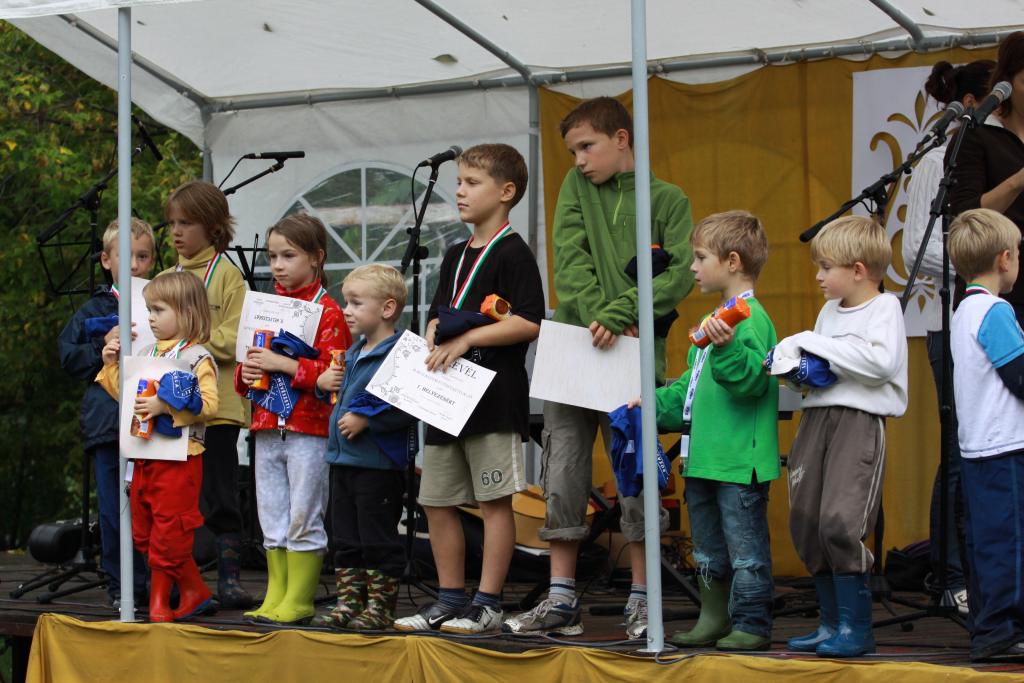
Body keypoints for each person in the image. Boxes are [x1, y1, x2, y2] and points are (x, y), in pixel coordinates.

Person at [504, 96, 694, 639]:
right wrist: (601, 316)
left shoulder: (668, 199)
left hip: (632, 349)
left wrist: (623, 312)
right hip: (575, 344)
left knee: (635, 470)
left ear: (622, 138)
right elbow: (569, 260)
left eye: (587, 146)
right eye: (572, 151)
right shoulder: (574, 187)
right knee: (563, 468)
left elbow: (681, 273)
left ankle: (642, 597)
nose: (579, 160)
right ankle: (561, 598)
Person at [393, 143, 545, 635]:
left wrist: (468, 339)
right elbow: (439, 314)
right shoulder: (455, 254)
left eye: (472, 183)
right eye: (458, 181)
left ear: (506, 192)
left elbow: (529, 321)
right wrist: (434, 333)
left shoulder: (514, 252)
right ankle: (449, 598)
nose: (459, 191)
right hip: (446, 397)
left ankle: (488, 603)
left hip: (493, 399)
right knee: (436, 500)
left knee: (493, 501)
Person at [639, 211, 778, 651]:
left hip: (737, 463)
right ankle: (713, 615)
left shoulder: (751, 320)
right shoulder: (716, 318)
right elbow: (690, 387)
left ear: (732, 261)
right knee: (707, 548)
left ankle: (752, 623)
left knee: (745, 549)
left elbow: (752, 381)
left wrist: (728, 346)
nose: (693, 267)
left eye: (701, 258)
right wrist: (651, 405)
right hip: (701, 458)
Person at [769, 216, 908, 658]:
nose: (818, 276)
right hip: (817, 417)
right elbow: (827, 366)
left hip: (858, 422)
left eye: (826, 267)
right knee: (806, 516)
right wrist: (798, 370)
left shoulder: (885, 309)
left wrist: (809, 342)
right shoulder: (829, 312)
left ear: (859, 270)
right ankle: (830, 623)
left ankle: (855, 626)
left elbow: (880, 364)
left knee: (840, 518)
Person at [903, 58, 994, 616]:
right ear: (977, 102)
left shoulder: (1000, 156)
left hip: (1002, 319)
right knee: (963, 450)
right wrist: (987, 265)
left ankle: (988, 573)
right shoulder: (940, 158)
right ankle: (952, 575)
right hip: (959, 322)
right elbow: (916, 249)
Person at [235, 214, 349, 624]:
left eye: (288, 255)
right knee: (271, 513)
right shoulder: (265, 307)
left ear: (316, 257)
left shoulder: (329, 312)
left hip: (309, 429)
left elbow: (334, 375)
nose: (277, 265)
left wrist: (283, 364)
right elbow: (244, 370)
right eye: (272, 256)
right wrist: (246, 373)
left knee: (304, 511)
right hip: (267, 426)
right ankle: (276, 595)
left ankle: (299, 599)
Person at [97, 272, 221, 622]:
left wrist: (165, 407)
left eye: (159, 310)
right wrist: (110, 364)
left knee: (170, 529)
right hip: (144, 455)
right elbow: (126, 398)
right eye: (150, 309)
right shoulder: (147, 352)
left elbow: (210, 405)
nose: (150, 317)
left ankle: (158, 604)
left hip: (180, 459)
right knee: (144, 530)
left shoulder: (197, 357)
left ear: (187, 312)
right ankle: (195, 592)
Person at [160, 180, 253, 609]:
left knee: (219, 494)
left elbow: (237, 339)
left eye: (186, 223)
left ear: (213, 226)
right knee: (177, 498)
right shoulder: (165, 279)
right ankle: (184, 582)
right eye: (172, 224)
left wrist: (187, 338)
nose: (176, 232)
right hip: (173, 410)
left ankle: (230, 581)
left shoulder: (229, 276)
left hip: (218, 409)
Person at [311, 264, 416, 630]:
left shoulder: (401, 354)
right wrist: (322, 386)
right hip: (343, 461)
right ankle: (349, 602)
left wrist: (369, 420)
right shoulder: (353, 352)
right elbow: (339, 400)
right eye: (346, 302)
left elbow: (409, 405)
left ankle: (380, 607)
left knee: (376, 537)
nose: (347, 310)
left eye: (356, 303)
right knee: (345, 536)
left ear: (387, 308)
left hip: (378, 465)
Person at [57, 218, 155, 609]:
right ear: (106, 259)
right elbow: (67, 356)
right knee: (115, 509)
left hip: (154, 420)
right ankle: (121, 586)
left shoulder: (162, 301)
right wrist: (102, 348)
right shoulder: (92, 309)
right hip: (109, 423)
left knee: (154, 505)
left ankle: (160, 583)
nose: (134, 265)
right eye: (125, 256)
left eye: (143, 256)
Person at [947, 208, 1024, 661]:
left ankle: (989, 625)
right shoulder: (996, 310)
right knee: (1009, 542)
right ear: (1004, 258)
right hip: (1005, 446)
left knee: (987, 540)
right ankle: (1001, 632)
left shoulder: (963, 309)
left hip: (977, 447)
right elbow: (1019, 375)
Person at [949, 31, 1024, 326]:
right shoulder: (976, 136)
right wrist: (1017, 181)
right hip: (998, 299)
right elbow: (965, 218)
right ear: (1007, 83)